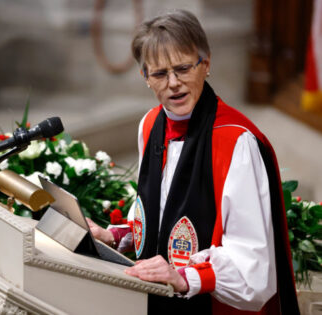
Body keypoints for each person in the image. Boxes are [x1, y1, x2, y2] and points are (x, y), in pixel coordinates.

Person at [88, 9, 299, 314]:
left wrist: (184, 277)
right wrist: (115, 236)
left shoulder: (236, 143)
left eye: (183, 68)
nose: (174, 83)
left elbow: (254, 269)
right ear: (145, 77)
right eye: (160, 73)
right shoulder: (150, 125)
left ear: (206, 65)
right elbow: (157, 211)